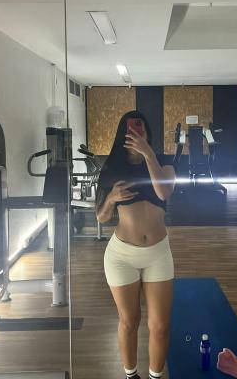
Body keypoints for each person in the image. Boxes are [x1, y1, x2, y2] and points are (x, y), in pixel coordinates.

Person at [96, 110, 176, 379]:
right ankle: (131, 376)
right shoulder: (112, 168)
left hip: (158, 254)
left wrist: (148, 153)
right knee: (129, 322)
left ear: (148, 133)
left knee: (160, 327)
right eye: (131, 129)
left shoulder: (164, 164)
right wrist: (111, 198)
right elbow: (101, 216)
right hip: (121, 256)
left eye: (141, 128)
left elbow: (163, 192)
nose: (136, 133)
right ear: (123, 135)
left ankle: (155, 376)